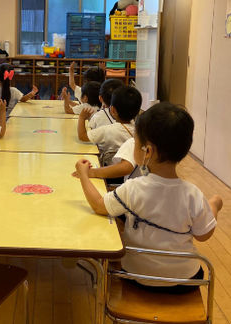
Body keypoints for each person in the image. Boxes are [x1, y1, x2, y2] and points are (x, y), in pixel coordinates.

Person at [74, 102, 223, 291]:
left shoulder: (133, 188)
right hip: (185, 281)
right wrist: (215, 205)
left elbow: (98, 205)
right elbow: (204, 235)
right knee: (213, 202)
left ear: (148, 152)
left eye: (135, 143)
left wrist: (85, 175)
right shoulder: (193, 194)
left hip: (136, 276)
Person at [78, 86, 142, 166]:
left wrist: (81, 118)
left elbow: (82, 136)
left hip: (109, 171)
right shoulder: (139, 131)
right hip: (129, 173)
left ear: (113, 110)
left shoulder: (107, 130)